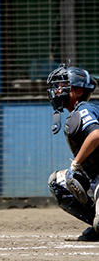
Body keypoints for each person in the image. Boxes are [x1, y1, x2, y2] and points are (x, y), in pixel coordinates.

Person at [46, 62, 99, 241]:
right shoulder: (78, 111)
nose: (57, 91)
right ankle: (95, 223)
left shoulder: (84, 109)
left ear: (77, 91)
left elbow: (96, 135)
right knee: (58, 183)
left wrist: (75, 164)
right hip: (95, 178)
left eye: (62, 86)